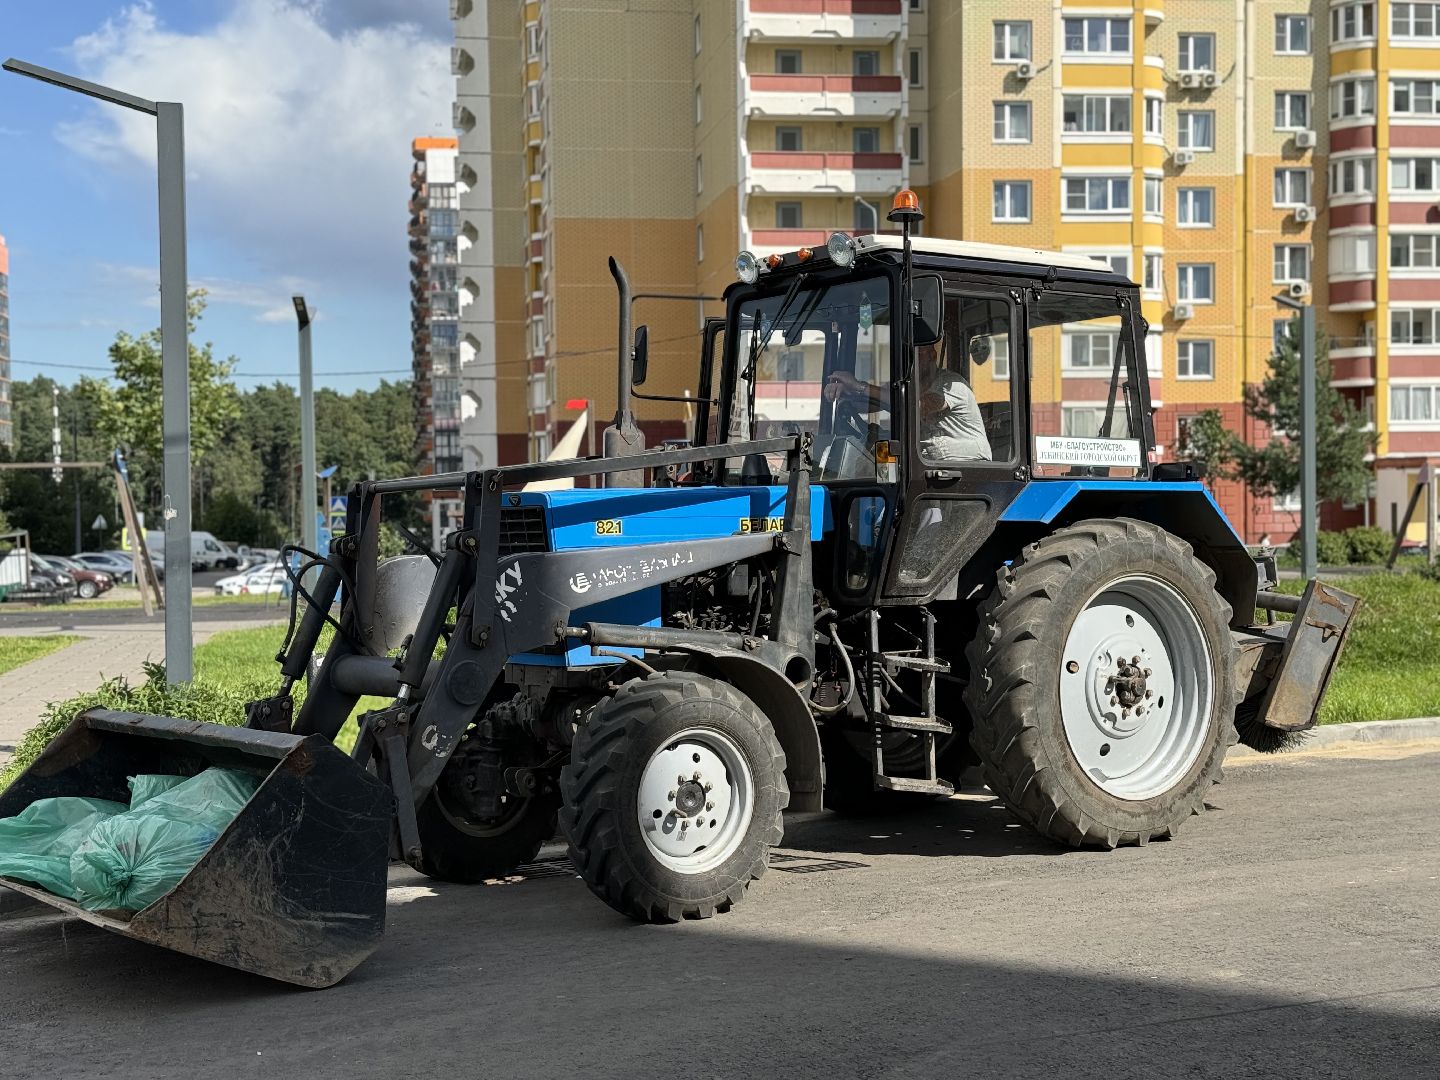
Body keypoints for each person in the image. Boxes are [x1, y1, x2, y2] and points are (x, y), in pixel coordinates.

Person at [824, 342, 992, 463]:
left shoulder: (952, 384)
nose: (911, 361)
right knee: (878, 461)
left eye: (918, 355)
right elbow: (872, 401)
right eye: (908, 356)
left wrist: (860, 386)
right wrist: (847, 394)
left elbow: (919, 406)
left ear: (932, 355)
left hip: (967, 469)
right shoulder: (905, 387)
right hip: (929, 466)